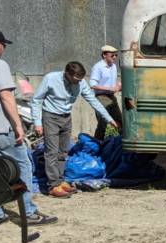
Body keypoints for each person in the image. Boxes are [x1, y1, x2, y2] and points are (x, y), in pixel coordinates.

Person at [0, 28, 57, 227]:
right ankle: (29, 213)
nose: (3, 50)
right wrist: (17, 125)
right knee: (22, 164)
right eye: (3, 46)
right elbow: (6, 96)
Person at [31, 62, 119, 198]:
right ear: (67, 74)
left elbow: (93, 101)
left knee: (63, 152)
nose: (79, 83)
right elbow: (36, 100)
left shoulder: (81, 83)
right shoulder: (51, 78)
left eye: (81, 80)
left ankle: (60, 181)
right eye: (76, 79)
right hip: (50, 117)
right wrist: (37, 123)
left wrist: (109, 119)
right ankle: (52, 186)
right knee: (51, 152)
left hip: (66, 118)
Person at [89, 45, 123, 140]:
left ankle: (120, 145)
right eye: (112, 55)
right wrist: (109, 89)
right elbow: (92, 84)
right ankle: (97, 144)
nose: (115, 57)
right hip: (101, 97)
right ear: (104, 55)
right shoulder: (98, 67)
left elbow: (113, 82)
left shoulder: (114, 66)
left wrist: (118, 86)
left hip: (111, 97)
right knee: (103, 124)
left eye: (116, 55)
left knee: (120, 122)